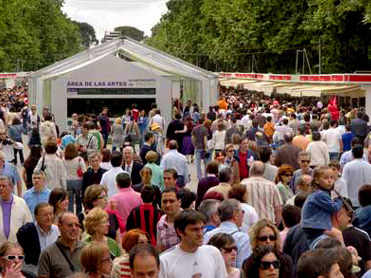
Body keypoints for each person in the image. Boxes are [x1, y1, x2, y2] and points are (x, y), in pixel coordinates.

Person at [159, 210, 227, 278]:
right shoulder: (165, 261)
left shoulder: (213, 253)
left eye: (202, 228)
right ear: (180, 232)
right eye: (195, 230)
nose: (200, 234)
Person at [302, 166, 343, 248]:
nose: (330, 180)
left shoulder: (320, 193)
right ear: (316, 180)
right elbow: (334, 207)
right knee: (338, 234)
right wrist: (339, 200)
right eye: (326, 178)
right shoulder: (319, 194)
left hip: (315, 225)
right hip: (315, 226)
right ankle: (345, 254)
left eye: (331, 178)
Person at [204, 199, 252, 268]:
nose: (243, 214)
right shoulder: (242, 238)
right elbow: (242, 266)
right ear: (235, 214)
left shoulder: (208, 235)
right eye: (242, 211)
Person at [38, 212, 85, 278]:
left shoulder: (86, 250)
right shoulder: (48, 253)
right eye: (70, 225)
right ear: (60, 227)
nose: (74, 228)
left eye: (77, 225)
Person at [16, 203, 59, 274]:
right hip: (32, 271)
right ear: (36, 217)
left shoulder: (57, 230)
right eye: (45, 215)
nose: (49, 217)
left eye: (51, 214)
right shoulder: (28, 231)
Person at [0, 175, 32, 244]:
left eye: (3, 186)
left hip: (17, 247)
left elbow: (28, 224)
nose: (1, 188)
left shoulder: (21, 203)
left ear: (11, 188)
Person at [156, 187, 181, 252]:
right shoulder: (161, 223)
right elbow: (159, 248)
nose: (167, 205)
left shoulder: (188, 220)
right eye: (164, 201)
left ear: (179, 202)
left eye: (171, 201)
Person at [64, 143, 86, 215]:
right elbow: (84, 170)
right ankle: (78, 215)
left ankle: (70, 214)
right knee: (78, 200)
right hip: (78, 181)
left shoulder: (64, 160)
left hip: (67, 181)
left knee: (69, 201)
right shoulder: (79, 159)